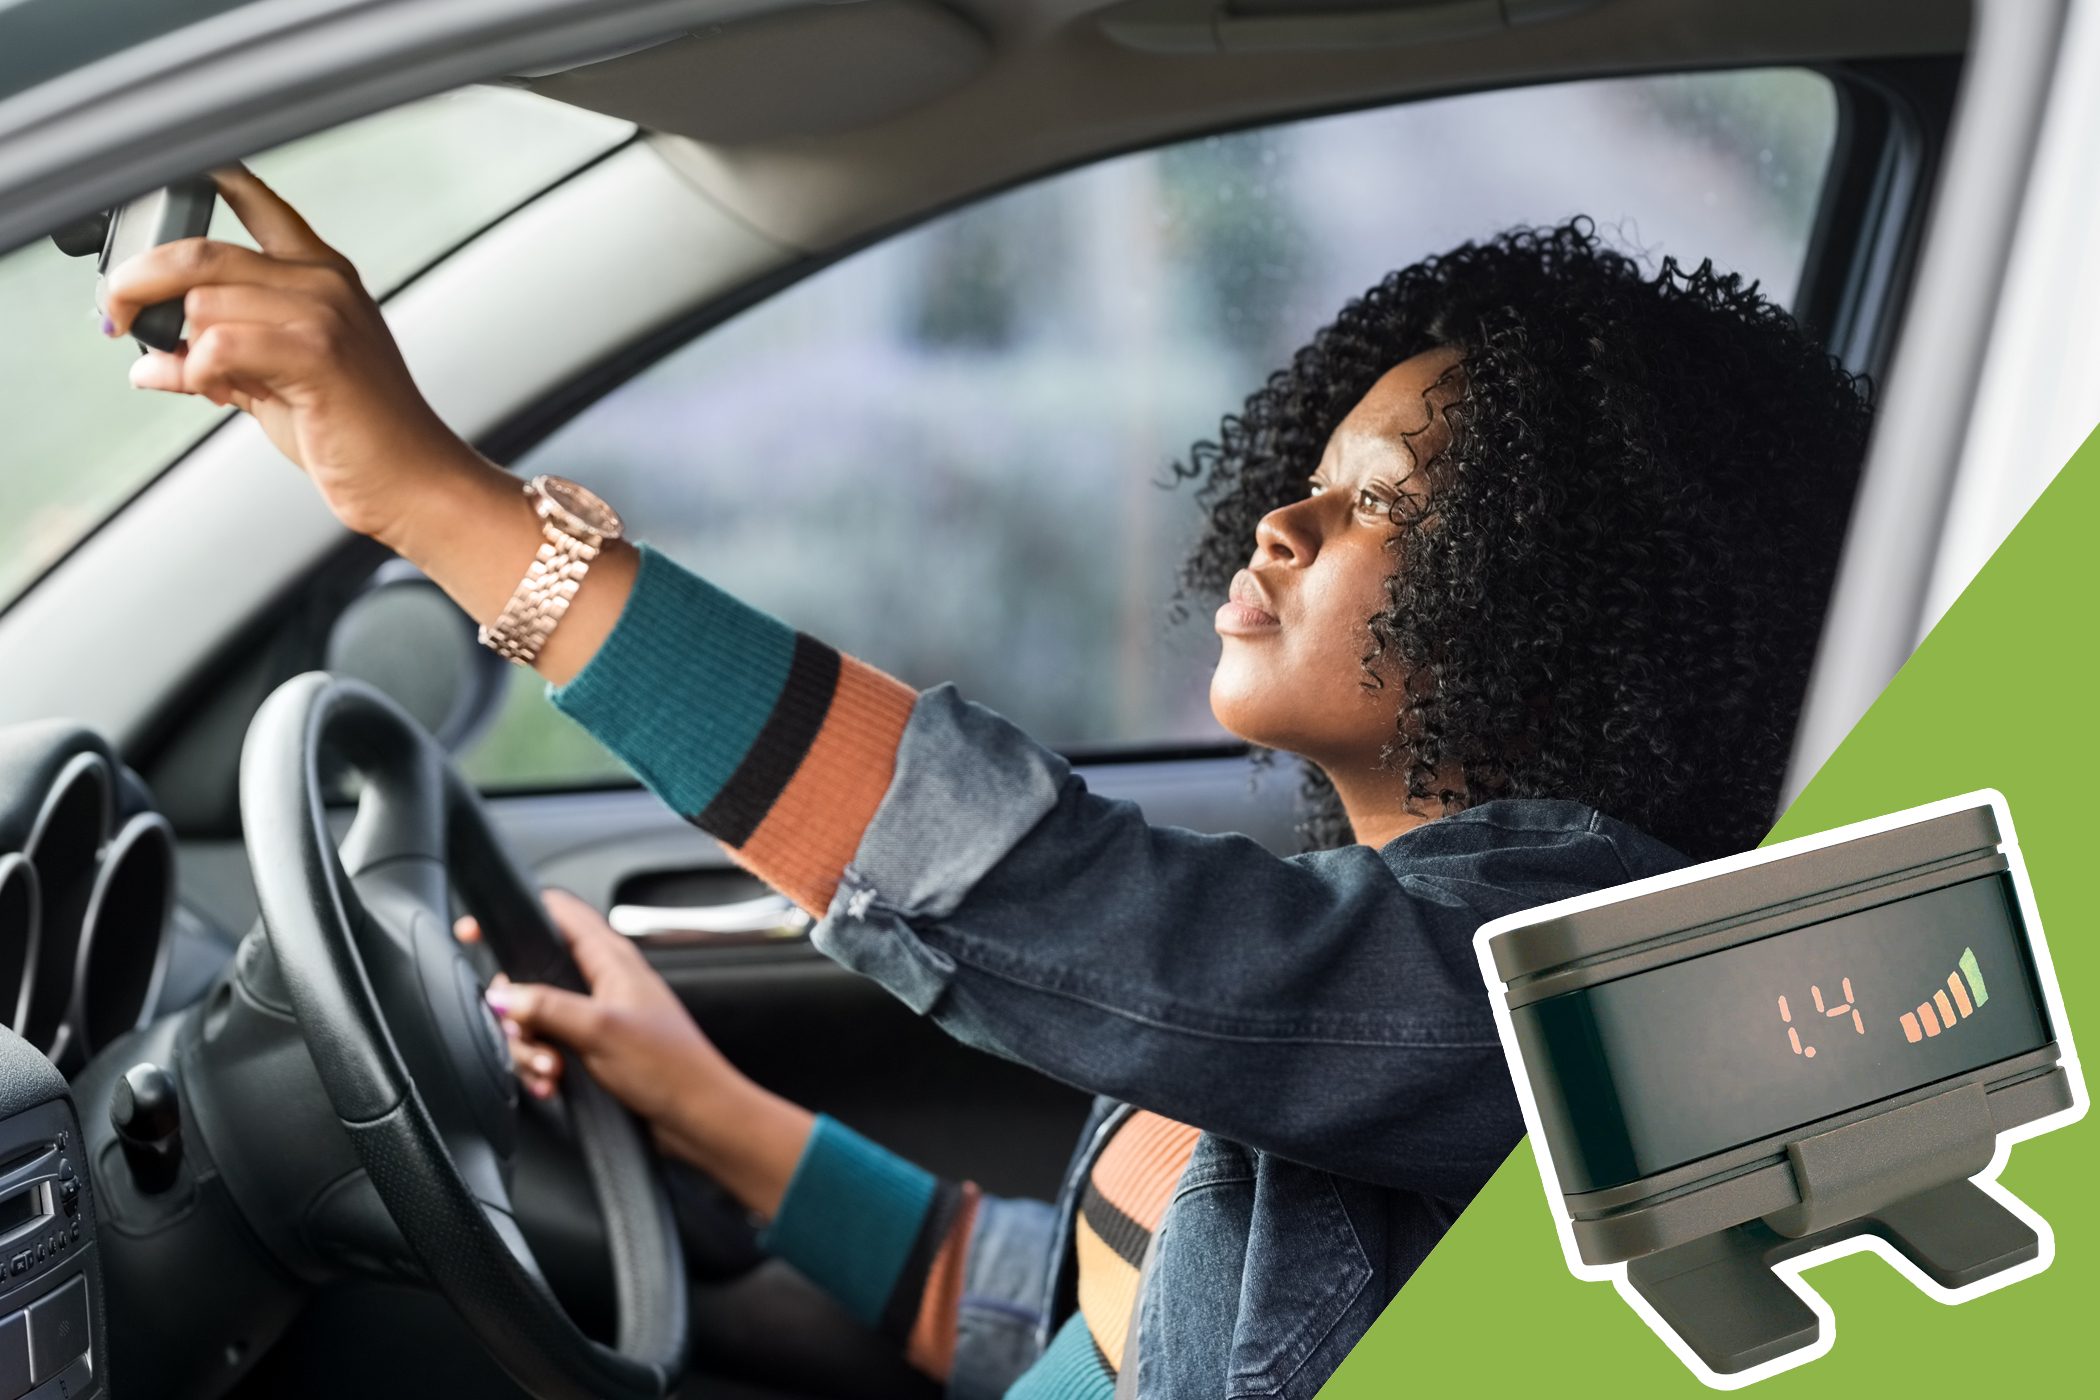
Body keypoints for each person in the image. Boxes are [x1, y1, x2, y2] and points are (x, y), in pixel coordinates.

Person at [103, 164, 1872, 1400]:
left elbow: (1051, 898)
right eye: (1310, 475)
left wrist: (440, 502)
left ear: (1564, 592)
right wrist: (698, 1095)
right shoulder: (1374, 964)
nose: (1283, 519)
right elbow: (1062, 1303)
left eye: (1393, 504)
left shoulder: (1567, 969)